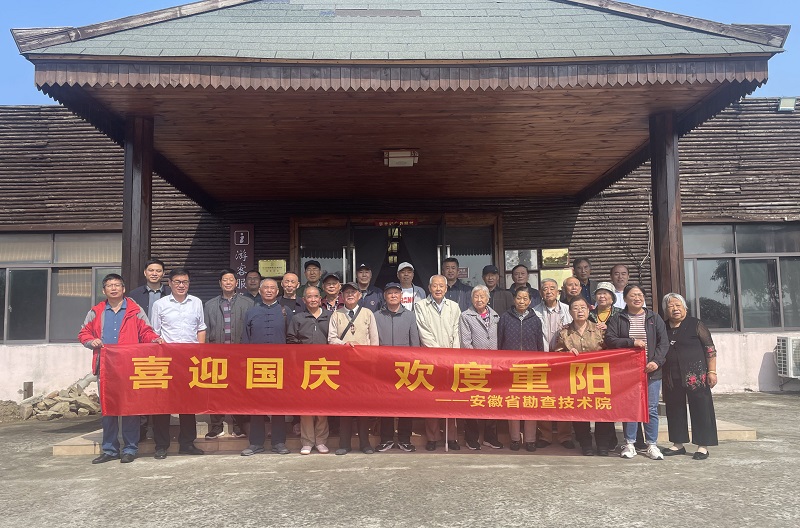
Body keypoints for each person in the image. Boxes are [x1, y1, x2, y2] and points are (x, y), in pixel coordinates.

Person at [78, 273, 162, 464]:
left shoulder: (135, 310)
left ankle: (130, 448)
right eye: (110, 285)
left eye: (117, 285)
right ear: (104, 290)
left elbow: (146, 331)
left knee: (130, 409)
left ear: (123, 289)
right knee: (109, 410)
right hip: (106, 368)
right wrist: (92, 341)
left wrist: (154, 339)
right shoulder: (96, 312)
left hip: (129, 367)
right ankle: (110, 449)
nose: (114, 288)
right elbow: (83, 333)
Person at [605, 284, 669, 461]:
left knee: (651, 408)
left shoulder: (654, 318)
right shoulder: (618, 318)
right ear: (625, 299)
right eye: (633, 295)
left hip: (652, 371)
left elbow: (664, 343)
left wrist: (656, 362)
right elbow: (610, 339)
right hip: (628, 372)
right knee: (630, 407)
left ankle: (652, 444)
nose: (637, 298)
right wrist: (631, 342)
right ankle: (630, 443)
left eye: (640, 295)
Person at [150, 268, 206, 459]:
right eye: (177, 282)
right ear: (170, 283)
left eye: (185, 282)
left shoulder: (196, 302)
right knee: (163, 403)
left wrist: (200, 353)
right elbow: (154, 333)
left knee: (187, 403)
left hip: (189, 360)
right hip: (167, 360)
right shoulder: (160, 304)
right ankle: (161, 445)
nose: (181, 285)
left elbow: (201, 329)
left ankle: (187, 443)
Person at [662, 292, 719, 460]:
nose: (675, 309)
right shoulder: (663, 327)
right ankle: (678, 444)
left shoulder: (696, 324)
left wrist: (712, 371)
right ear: (666, 310)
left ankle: (703, 446)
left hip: (696, 376)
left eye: (678, 305)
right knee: (674, 408)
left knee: (701, 408)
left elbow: (710, 349)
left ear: (685, 308)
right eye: (671, 306)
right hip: (671, 376)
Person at [555, 297, 615, 456]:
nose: (579, 311)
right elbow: (557, 354)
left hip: (599, 377)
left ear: (589, 311)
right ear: (570, 312)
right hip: (576, 378)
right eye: (575, 308)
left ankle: (602, 444)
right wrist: (566, 354)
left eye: (583, 307)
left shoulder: (600, 330)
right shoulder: (564, 333)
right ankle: (585, 444)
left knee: (602, 410)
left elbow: (612, 350)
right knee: (580, 411)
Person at [241, 278, 291, 456]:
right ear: (260, 291)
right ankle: (256, 443)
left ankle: (279, 442)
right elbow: (245, 339)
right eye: (266, 288)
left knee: (279, 405)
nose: (269, 290)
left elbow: (291, 338)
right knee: (256, 405)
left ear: (277, 291)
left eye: (272, 288)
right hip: (256, 366)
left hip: (280, 366)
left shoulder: (285, 311)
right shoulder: (251, 312)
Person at [328, 282, 380, 455]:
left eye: (353, 292)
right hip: (343, 367)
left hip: (364, 367)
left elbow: (374, 340)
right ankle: (344, 443)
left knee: (363, 405)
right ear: (342, 296)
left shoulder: (367, 313)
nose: (350, 295)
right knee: (345, 406)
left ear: (359, 295)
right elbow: (331, 339)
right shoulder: (336, 314)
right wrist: (345, 344)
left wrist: (372, 363)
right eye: (346, 292)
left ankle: (365, 443)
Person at [203, 268, 254, 439]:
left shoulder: (248, 303)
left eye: (231, 279)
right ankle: (216, 426)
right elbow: (205, 330)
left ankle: (238, 425)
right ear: (220, 283)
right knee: (215, 390)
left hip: (239, 355)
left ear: (236, 283)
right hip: (216, 354)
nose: (228, 282)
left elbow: (251, 329)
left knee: (238, 390)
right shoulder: (210, 305)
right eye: (225, 280)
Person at [415, 274, 462, 451]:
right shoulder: (420, 306)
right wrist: (438, 354)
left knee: (451, 398)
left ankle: (452, 437)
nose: (438, 289)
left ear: (446, 288)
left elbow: (457, 331)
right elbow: (423, 332)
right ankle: (432, 438)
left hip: (451, 359)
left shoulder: (454, 306)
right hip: (431, 359)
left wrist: (453, 354)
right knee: (432, 399)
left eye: (441, 286)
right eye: (435, 286)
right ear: (429, 288)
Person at [126, 257, 170, 441]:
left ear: (163, 274)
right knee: (142, 387)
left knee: (162, 387)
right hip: (141, 348)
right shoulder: (134, 295)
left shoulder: (170, 293)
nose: (154, 273)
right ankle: (142, 430)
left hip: (164, 347)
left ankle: (161, 432)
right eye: (151, 270)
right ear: (145, 273)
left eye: (158, 271)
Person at [374, 282, 420, 453]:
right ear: (384, 296)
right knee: (385, 404)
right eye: (389, 293)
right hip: (383, 367)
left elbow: (415, 342)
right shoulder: (376, 316)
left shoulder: (410, 316)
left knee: (405, 405)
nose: (393, 296)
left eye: (396, 293)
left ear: (401, 296)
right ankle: (386, 439)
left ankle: (404, 439)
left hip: (405, 367)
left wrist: (415, 365)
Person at [286, 286, 332, 455]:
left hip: (325, 367)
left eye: (315, 297)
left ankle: (321, 440)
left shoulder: (330, 316)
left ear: (320, 299)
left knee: (322, 406)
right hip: (304, 367)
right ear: (304, 300)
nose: (313, 300)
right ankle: (307, 441)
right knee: (306, 405)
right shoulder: (298, 318)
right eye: (309, 297)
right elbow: (291, 340)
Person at [498, 287, 544, 452]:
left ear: (530, 301)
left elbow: (540, 344)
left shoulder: (535, 319)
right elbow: (499, 342)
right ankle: (515, 439)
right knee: (514, 403)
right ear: (514, 299)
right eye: (519, 298)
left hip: (531, 368)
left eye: (525, 298)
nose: (522, 301)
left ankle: (530, 440)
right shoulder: (505, 317)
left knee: (530, 403)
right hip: (510, 368)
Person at [460, 285, 503, 450]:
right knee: (473, 402)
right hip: (474, 367)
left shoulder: (496, 316)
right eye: (476, 297)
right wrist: (476, 362)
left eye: (482, 296)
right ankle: (471, 438)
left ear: (488, 299)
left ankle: (490, 437)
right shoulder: (466, 316)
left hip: (493, 367)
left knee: (492, 401)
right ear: (471, 299)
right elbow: (466, 342)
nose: (479, 300)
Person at [533, 278, 574, 449]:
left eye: (552, 288)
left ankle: (565, 436)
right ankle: (545, 435)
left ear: (558, 292)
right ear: (540, 292)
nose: (548, 291)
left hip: (563, 359)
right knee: (543, 397)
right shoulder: (534, 311)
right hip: (542, 359)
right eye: (545, 289)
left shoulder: (568, 310)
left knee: (563, 397)